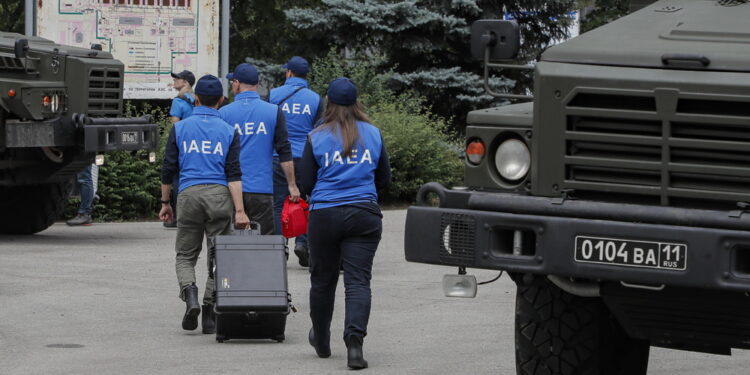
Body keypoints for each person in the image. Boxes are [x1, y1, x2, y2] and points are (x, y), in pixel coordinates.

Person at [300, 78, 391, 370]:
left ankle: (322, 339)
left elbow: (306, 183)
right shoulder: (374, 134)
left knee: (322, 280)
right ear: (356, 103)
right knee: (358, 281)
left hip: (324, 214)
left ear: (329, 102)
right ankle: (354, 345)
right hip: (364, 214)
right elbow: (384, 179)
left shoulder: (316, 136)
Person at [159, 74, 250, 334]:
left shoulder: (180, 128)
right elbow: (234, 173)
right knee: (219, 254)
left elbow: (168, 169)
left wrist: (166, 202)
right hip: (219, 196)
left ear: (195, 98)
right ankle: (210, 312)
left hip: (188, 194)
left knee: (186, 255)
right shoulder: (229, 130)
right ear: (221, 100)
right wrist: (240, 211)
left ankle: (190, 296)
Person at [219, 63, 300, 235]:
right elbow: (284, 150)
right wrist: (291, 185)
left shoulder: (224, 113)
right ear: (256, 85)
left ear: (237, 83)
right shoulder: (273, 111)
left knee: (231, 243)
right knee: (263, 243)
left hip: (230, 187)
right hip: (261, 187)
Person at [269, 56, 324, 267]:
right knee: (305, 201)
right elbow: (319, 129)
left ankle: (278, 247)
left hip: (278, 156)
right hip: (305, 157)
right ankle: (303, 243)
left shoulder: (273, 95)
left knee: (276, 204)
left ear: (289, 73)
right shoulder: (316, 99)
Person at [164, 70, 196, 228]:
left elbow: (175, 125)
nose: (175, 80)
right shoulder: (196, 99)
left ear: (186, 82)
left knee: (177, 178)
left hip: (181, 143)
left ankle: (177, 216)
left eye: (178, 78)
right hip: (196, 143)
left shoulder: (178, 101)